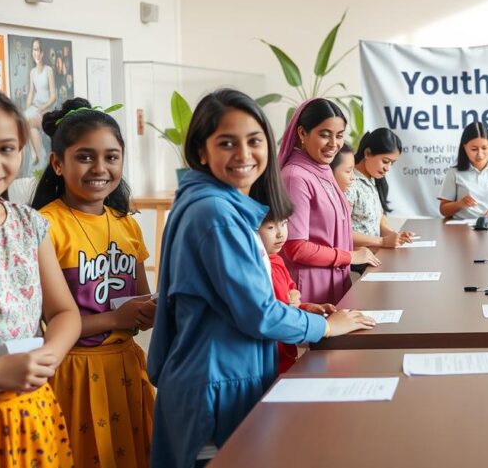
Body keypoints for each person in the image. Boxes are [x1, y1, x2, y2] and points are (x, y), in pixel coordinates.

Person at [147, 89, 375, 467]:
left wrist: (297, 308)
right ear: (201, 152)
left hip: (223, 373)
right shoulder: (217, 214)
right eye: (226, 143)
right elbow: (258, 313)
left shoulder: (214, 203)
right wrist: (325, 327)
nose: (244, 154)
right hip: (217, 384)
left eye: (254, 141)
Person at [32, 98, 156, 468]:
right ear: (58, 163)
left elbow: (139, 297)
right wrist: (115, 320)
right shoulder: (43, 226)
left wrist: (153, 309)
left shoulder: (126, 223)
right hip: (73, 371)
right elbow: (43, 326)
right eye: (85, 157)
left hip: (126, 367)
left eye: (111, 157)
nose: (100, 168)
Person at [0, 82, 81, 467]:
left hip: (29, 412)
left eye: (7, 149)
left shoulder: (28, 223)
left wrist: (49, 354)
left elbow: (64, 312)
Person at [278, 99, 380, 304]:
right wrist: (350, 256)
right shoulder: (295, 177)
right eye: (324, 135)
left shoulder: (321, 170)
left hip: (333, 283)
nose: (334, 144)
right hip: (310, 289)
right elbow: (296, 247)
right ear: (302, 133)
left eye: (339, 136)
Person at [258, 207, 336, 374]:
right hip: (272, 359)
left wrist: (307, 307)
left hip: (287, 355)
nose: (280, 234)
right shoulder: (258, 269)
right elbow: (275, 313)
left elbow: (290, 297)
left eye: (284, 224)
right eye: (271, 227)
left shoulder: (277, 260)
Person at [346, 128, 414, 248]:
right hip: (358, 261)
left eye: (392, 163)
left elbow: (379, 219)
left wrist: (394, 236)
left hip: (375, 256)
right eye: (385, 161)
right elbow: (341, 233)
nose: (388, 168)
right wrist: (382, 242)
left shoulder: (373, 180)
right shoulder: (349, 182)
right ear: (367, 153)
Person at [438, 121, 488, 220]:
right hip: (462, 228)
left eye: (484, 148)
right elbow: (443, 210)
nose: (480, 154)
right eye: (474, 149)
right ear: (464, 147)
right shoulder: (454, 173)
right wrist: (460, 204)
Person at [23, 38, 57, 168]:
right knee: (23, 118)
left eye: (38, 50)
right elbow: (31, 92)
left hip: (47, 107)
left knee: (30, 121)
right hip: (36, 106)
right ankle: (33, 152)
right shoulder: (32, 72)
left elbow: (53, 97)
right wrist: (27, 109)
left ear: (42, 53)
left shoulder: (48, 70)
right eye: (34, 49)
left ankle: (40, 155)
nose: (36, 53)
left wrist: (42, 108)